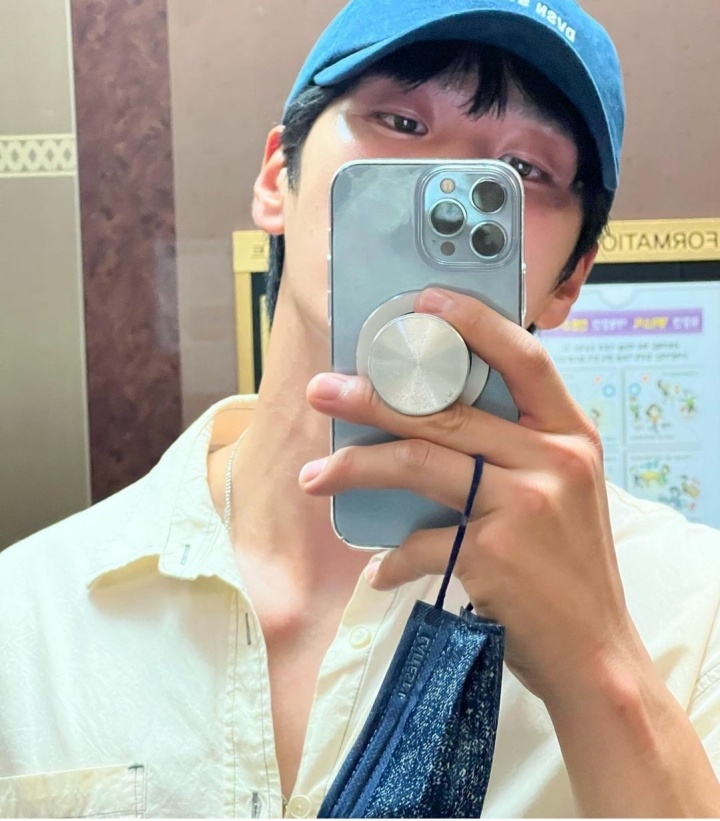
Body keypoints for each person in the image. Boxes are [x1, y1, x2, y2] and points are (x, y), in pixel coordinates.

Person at [1, 0, 719, 817]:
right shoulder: (26, 618)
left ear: (570, 278)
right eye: (402, 122)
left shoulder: (692, 612)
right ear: (277, 180)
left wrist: (600, 666)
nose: (440, 194)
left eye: (521, 171)